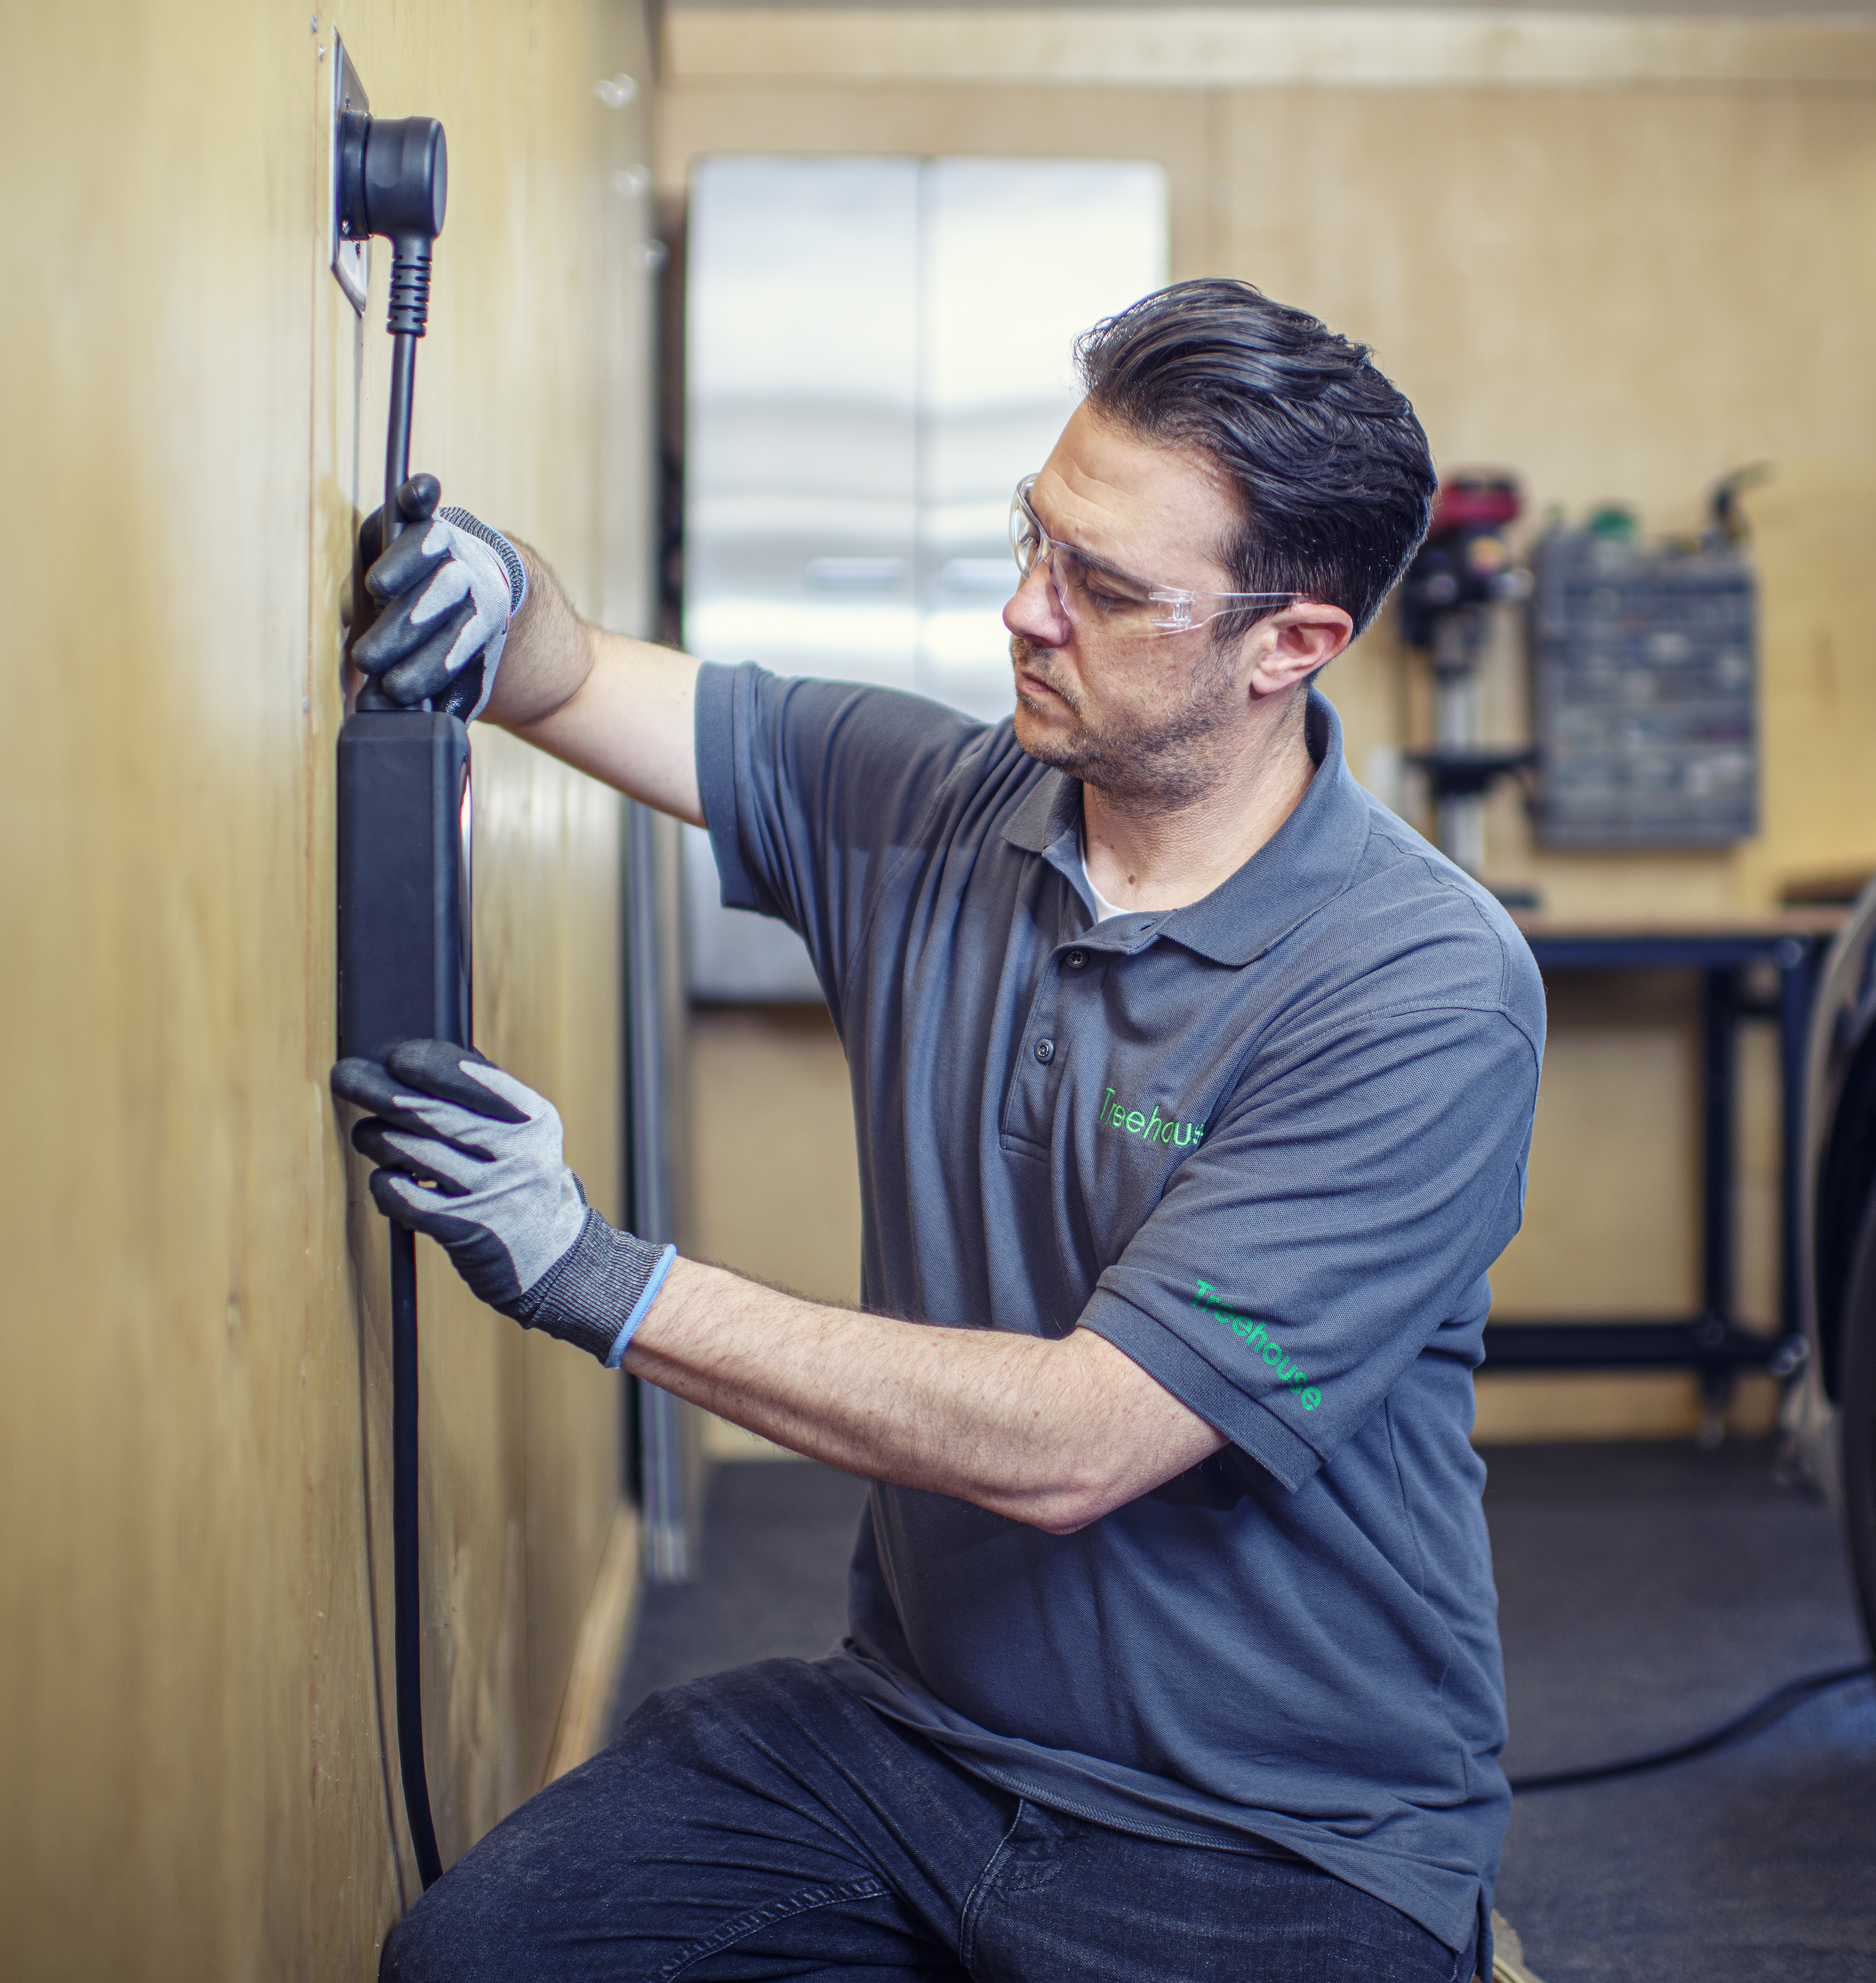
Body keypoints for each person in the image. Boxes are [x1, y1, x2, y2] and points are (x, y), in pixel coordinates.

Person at [334, 278, 1545, 1983]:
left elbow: (1080, 1442)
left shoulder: (1417, 987)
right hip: (913, 1740)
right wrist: (494, 585)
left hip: (1277, 1828)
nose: (1022, 611)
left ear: (1293, 644)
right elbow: (582, 675)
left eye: (1105, 587)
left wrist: (587, 1269)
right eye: (1035, 538)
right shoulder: (927, 802)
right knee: (474, 1964)